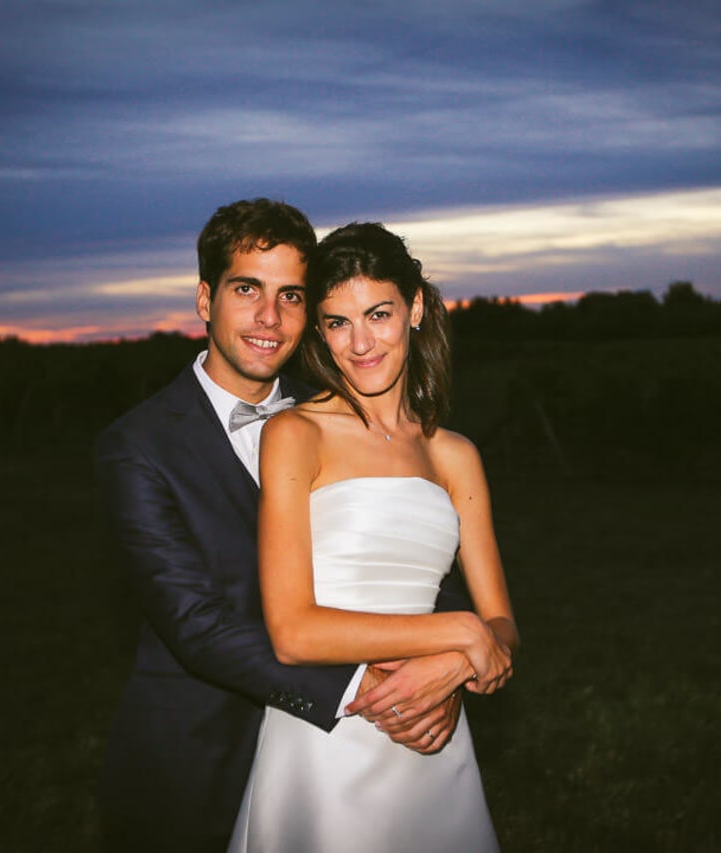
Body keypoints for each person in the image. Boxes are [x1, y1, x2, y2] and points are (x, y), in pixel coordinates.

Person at [94, 200, 473, 852]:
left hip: (361, 761)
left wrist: (442, 669)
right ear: (205, 299)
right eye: (247, 289)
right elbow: (198, 624)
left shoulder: (344, 413)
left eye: (291, 295)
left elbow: (420, 554)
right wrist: (373, 688)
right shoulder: (137, 446)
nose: (269, 318)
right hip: (203, 760)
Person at [228, 222, 519, 852]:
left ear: (414, 308)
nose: (360, 343)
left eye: (379, 314)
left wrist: (449, 667)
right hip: (327, 742)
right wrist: (459, 633)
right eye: (336, 322)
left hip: (431, 731)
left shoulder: (455, 455)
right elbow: (294, 632)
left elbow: (502, 628)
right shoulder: (295, 434)